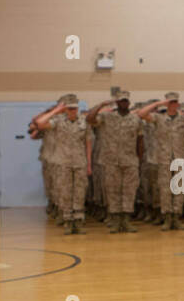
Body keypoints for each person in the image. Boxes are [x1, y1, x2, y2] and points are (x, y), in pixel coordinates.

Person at [87, 89, 142, 233]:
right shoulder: (107, 117)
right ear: (117, 103)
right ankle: (116, 220)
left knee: (129, 192)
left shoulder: (135, 119)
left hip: (130, 161)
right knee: (112, 191)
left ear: (129, 102)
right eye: (121, 101)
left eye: (126, 100)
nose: (124, 103)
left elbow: (140, 140)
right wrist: (100, 105)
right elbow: (90, 119)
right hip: (111, 161)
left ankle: (126, 221)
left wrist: (139, 160)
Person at [36, 94, 90, 234]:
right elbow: (40, 123)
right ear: (65, 109)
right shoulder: (58, 121)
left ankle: (78, 222)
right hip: (63, 162)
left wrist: (89, 163)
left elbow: (88, 143)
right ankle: (67, 221)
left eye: (74, 108)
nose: (73, 111)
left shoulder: (84, 122)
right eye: (69, 108)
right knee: (65, 191)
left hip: (79, 162)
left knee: (79, 192)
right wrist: (55, 111)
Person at [140, 92, 184, 230]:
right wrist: (158, 104)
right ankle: (167, 218)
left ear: (178, 103)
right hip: (163, 159)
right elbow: (142, 114)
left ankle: (176, 217)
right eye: (170, 102)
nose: (173, 104)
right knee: (165, 189)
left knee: (179, 189)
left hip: (180, 158)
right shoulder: (159, 118)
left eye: (175, 102)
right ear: (166, 103)